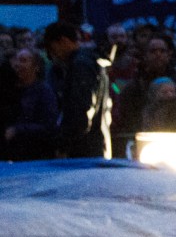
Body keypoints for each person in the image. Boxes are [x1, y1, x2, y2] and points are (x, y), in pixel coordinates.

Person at [42, 22, 111, 159]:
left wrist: (65, 144)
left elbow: (81, 109)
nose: (52, 55)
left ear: (63, 41)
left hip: (83, 149)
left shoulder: (80, 65)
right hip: (96, 143)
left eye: (52, 48)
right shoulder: (93, 61)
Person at [5, 47, 58, 160]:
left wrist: (18, 130)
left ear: (36, 67)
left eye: (23, 61)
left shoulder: (44, 91)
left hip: (35, 154)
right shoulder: (9, 90)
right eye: (16, 60)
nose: (18, 65)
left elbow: (49, 126)